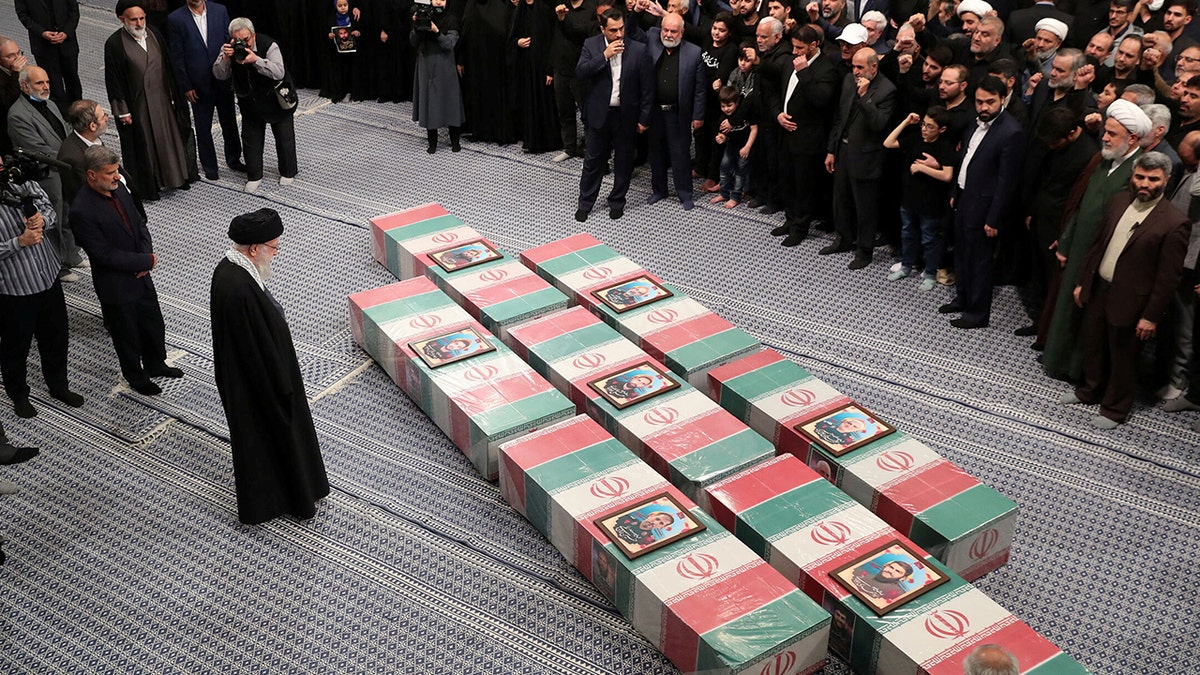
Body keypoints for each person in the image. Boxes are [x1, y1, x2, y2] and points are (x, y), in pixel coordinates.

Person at [210, 208, 330, 525]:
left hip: (262, 378)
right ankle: (290, 499)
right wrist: (281, 387)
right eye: (273, 248)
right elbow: (253, 351)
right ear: (254, 249)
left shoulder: (234, 271)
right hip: (262, 386)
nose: (275, 255)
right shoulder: (238, 287)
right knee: (276, 439)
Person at [1060, 152, 1191, 428]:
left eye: (1152, 179)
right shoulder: (1119, 200)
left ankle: (1114, 410)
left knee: (1123, 358)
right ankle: (1090, 390)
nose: (1145, 183)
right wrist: (1084, 282)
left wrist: (1151, 316)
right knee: (1093, 344)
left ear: (1165, 180)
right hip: (1099, 289)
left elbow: (1168, 278)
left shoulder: (1174, 222)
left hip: (1134, 302)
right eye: (1140, 176)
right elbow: (1098, 246)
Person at [1041, 99, 1149, 381]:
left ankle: (1078, 371)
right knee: (1065, 305)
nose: (1104, 137)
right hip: (1078, 248)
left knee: (1085, 314)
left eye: (1112, 133)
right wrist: (1065, 244)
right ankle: (1058, 360)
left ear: (1133, 138)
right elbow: (1082, 206)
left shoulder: (1137, 171)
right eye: (1106, 131)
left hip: (1101, 256)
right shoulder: (1105, 160)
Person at [70, 146, 182, 396]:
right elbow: (103, 254)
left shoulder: (118, 188)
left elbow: (139, 223)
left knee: (152, 323)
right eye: (110, 172)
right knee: (126, 334)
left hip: (141, 275)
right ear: (91, 175)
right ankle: (136, 376)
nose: (117, 176)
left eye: (116, 170)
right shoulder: (81, 210)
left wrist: (145, 257)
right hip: (116, 285)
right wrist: (143, 263)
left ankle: (155, 364)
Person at [0, 158, 83, 419]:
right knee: (16, 347)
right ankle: (19, 395)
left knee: (56, 337)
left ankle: (58, 385)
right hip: (15, 289)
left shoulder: (18, 180)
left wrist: (43, 221)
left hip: (48, 277)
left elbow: (48, 205)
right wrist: (18, 242)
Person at [105, 1, 197, 202]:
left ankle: (176, 177)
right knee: (146, 146)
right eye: (133, 19)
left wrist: (176, 96)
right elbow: (113, 81)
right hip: (139, 105)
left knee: (169, 141)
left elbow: (169, 67)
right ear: (122, 20)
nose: (138, 23)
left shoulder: (154, 34)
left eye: (141, 18)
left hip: (163, 101)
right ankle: (152, 184)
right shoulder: (114, 44)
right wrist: (122, 111)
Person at [574, 8, 654, 222]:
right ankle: (585, 203)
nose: (619, 35)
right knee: (592, 162)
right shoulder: (591, 46)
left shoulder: (639, 50)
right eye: (613, 31)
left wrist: (644, 118)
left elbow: (647, 89)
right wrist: (604, 56)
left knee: (624, 162)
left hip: (625, 116)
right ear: (602, 29)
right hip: (599, 115)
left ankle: (617, 201)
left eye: (621, 29)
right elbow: (580, 72)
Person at [7, 65, 85, 282]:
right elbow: (36, 149)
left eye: (47, 82)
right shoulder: (17, 115)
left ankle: (70, 254)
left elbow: (66, 131)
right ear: (25, 85)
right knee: (54, 219)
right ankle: (57, 265)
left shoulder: (49, 103)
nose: (46, 87)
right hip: (45, 174)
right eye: (40, 83)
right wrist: (70, 156)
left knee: (68, 213)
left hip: (64, 168)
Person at [821, 48, 896, 270]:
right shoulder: (847, 80)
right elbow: (840, 117)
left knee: (865, 207)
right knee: (840, 199)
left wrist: (864, 98)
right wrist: (831, 150)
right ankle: (843, 239)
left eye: (860, 67)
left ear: (874, 66)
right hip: (843, 152)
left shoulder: (887, 90)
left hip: (867, 157)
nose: (855, 71)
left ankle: (865, 250)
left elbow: (879, 124)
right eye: (853, 66)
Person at [213, 17, 299, 192]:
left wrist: (256, 60)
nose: (244, 44)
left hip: (277, 100)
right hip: (250, 103)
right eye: (239, 41)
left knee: (284, 139)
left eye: (247, 40)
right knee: (251, 141)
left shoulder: (269, 45)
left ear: (253, 35)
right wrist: (225, 59)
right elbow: (219, 75)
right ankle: (254, 175)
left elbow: (278, 72)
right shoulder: (229, 49)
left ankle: (288, 171)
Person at [772, 24, 838, 246]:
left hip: (809, 139)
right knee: (787, 181)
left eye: (800, 47)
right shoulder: (791, 62)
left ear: (814, 45)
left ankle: (800, 227)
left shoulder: (826, 68)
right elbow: (779, 93)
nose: (795, 52)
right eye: (793, 46)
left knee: (804, 186)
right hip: (786, 133)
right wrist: (779, 114)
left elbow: (821, 100)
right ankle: (790, 220)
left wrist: (804, 72)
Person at [168, 0, 246, 181]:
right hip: (198, 84)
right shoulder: (176, 19)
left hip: (222, 79)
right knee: (203, 127)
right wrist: (186, 85)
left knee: (230, 124)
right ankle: (210, 166)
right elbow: (177, 55)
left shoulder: (220, 10)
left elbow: (229, 41)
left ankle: (234, 159)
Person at [884, 108, 955, 291]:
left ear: (942, 129)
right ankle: (906, 265)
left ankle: (930, 273)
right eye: (924, 124)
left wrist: (923, 169)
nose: (924, 129)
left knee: (929, 239)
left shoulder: (945, 146)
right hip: (909, 198)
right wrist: (906, 122)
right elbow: (888, 142)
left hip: (930, 202)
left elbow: (947, 175)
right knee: (907, 234)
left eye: (930, 126)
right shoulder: (915, 138)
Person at [646, 13, 705, 210]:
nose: (669, 34)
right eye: (666, 30)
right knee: (656, 153)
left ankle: (685, 193)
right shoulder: (652, 42)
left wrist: (698, 115)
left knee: (680, 155)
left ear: (682, 32)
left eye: (673, 31)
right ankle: (659, 190)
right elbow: (630, 32)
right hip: (654, 112)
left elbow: (700, 89)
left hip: (678, 113)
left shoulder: (694, 53)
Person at [409, 0, 465, 154]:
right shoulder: (423, 16)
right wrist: (417, 26)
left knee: (450, 102)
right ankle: (432, 142)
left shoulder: (451, 19)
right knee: (429, 102)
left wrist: (436, 31)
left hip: (444, 65)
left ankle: (455, 141)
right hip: (426, 65)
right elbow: (413, 41)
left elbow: (449, 44)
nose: (438, 2)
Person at [508, 0, 562, 155]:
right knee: (529, 104)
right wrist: (518, 42)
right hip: (526, 69)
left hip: (543, 68)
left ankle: (549, 141)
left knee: (545, 104)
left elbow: (553, 41)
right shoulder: (520, 12)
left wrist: (550, 70)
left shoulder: (546, 11)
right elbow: (510, 37)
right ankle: (531, 140)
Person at [13, 0, 81, 108]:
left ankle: (79, 114)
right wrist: (42, 33)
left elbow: (74, 11)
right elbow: (23, 16)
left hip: (67, 44)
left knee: (73, 80)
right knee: (53, 85)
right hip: (43, 46)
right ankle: (61, 116)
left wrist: (66, 32)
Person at [710, 85, 757, 207]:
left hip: (745, 146)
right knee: (724, 169)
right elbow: (724, 133)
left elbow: (754, 129)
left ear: (737, 103)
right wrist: (722, 138)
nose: (726, 109)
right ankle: (723, 193)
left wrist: (747, 147)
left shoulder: (746, 114)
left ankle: (736, 196)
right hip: (731, 145)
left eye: (729, 105)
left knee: (741, 173)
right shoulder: (723, 117)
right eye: (723, 106)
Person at [0, 37, 30, 157]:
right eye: (10, 56)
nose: (18, 58)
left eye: (19, 52)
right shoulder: (9, 74)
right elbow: (9, 103)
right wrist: (15, 74)